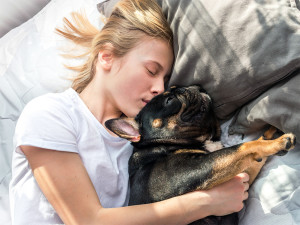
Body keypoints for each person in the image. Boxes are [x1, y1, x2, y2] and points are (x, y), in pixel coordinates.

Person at [9, 0, 249, 224]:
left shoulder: (141, 142)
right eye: (151, 71)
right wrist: (207, 202)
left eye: (165, 79)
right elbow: (87, 220)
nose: (160, 89)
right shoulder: (51, 114)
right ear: (106, 56)